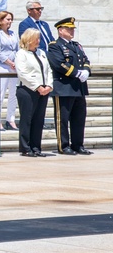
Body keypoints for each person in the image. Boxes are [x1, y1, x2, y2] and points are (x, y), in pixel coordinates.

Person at [48, 17, 91, 155]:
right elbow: (59, 64)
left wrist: (86, 71)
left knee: (79, 118)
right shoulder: (55, 45)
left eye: (72, 28)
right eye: (69, 28)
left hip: (79, 88)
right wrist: (76, 73)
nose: (72, 31)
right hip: (64, 87)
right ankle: (63, 145)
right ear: (60, 31)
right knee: (63, 119)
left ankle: (78, 144)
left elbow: (85, 60)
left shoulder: (77, 45)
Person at [15, 29, 53, 157]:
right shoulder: (21, 54)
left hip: (43, 91)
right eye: (36, 38)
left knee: (38, 120)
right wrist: (37, 86)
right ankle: (26, 147)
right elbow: (22, 73)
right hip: (27, 90)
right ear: (29, 39)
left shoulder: (41, 53)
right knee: (27, 119)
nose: (38, 41)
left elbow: (48, 70)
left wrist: (48, 85)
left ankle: (36, 147)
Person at [0, 11, 19, 132]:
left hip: (14, 67)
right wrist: (9, 62)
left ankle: (10, 119)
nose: (10, 22)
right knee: (1, 94)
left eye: (11, 19)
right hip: (2, 66)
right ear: (1, 20)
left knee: (14, 93)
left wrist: (17, 62)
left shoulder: (13, 34)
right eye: (7, 19)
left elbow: (17, 49)